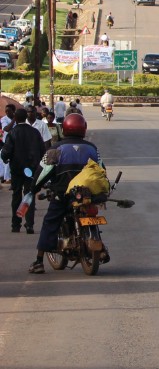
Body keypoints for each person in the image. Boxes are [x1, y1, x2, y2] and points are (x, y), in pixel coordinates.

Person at [29, 113, 103, 272]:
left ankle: (39, 261)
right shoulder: (92, 149)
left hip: (62, 194)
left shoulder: (55, 149)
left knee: (50, 222)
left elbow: (43, 172)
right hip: (87, 194)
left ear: (64, 129)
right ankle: (100, 248)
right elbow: (101, 170)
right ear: (84, 129)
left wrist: (33, 187)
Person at [3, 107, 45, 234]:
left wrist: (5, 158)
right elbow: (42, 149)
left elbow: (6, 151)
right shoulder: (34, 132)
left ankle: (16, 224)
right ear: (25, 117)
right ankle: (29, 224)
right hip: (31, 169)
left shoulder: (13, 132)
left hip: (16, 169)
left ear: (15, 119)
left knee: (16, 195)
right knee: (29, 195)